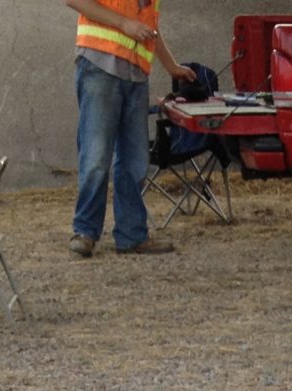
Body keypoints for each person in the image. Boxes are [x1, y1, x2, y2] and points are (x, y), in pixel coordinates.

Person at [60, 0, 197, 256]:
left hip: (135, 74)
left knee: (135, 160)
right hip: (100, 65)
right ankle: (85, 232)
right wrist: (125, 25)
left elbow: (148, 28)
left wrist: (172, 67)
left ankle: (131, 235)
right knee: (96, 156)